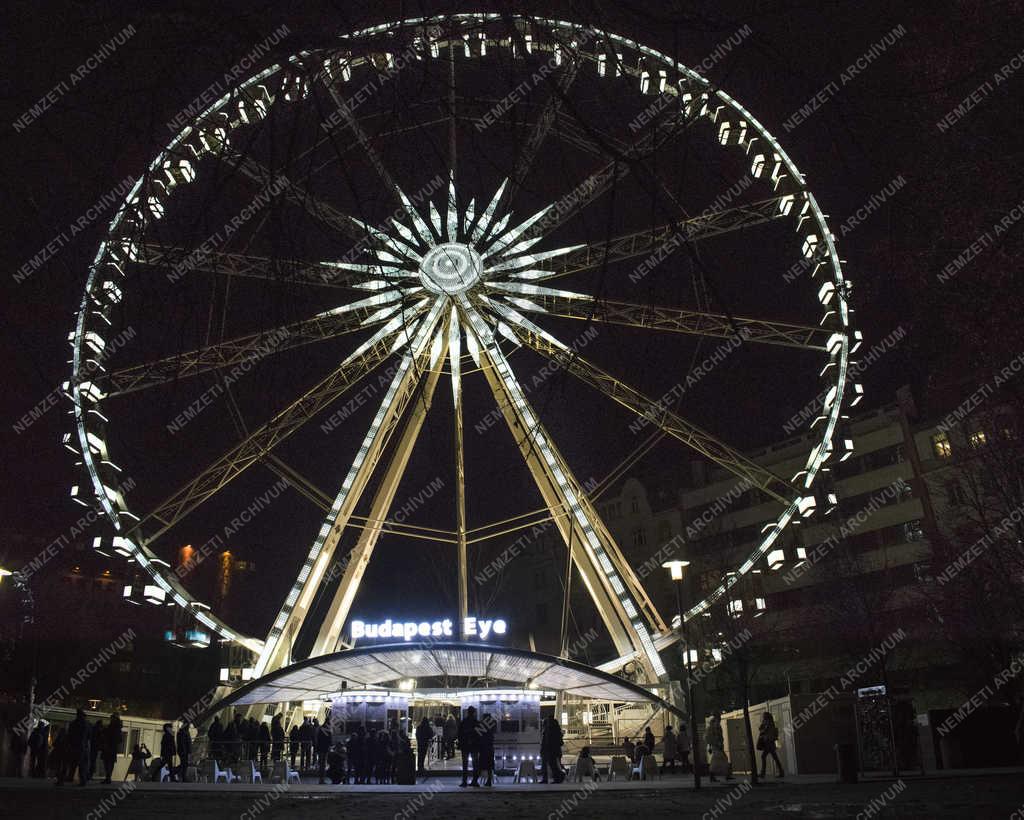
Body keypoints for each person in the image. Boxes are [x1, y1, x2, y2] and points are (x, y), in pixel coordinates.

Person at [457, 706, 480, 787]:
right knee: (475, 764)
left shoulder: (464, 722)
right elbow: (479, 734)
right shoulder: (476, 722)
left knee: (465, 764)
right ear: (473, 712)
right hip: (474, 746)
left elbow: (459, 734)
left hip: (465, 746)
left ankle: (464, 781)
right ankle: (475, 781)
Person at [706, 712, 732, 782]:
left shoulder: (712, 726)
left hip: (716, 745)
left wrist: (710, 746)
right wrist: (718, 744)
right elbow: (716, 736)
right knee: (719, 760)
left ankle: (724, 775)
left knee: (717, 760)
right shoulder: (716, 725)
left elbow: (710, 737)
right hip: (717, 745)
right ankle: (726, 775)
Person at [757, 712, 784, 778]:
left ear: (766, 716)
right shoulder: (770, 722)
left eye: (764, 716)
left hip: (769, 742)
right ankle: (781, 772)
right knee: (774, 757)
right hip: (770, 742)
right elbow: (760, 729)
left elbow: (763, 730)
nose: (763, 717)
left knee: (764, 756)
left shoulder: (768, 723)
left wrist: (763, 725)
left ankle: (763, 773)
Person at [68, 709, 91, 786]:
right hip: (84, 746)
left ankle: (70, 777)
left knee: (73, 763)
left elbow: (70, 735)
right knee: (82, 765)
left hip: (75, 746)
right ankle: (83, 780)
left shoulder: (73, 724)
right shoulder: (87, 724)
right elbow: (89, 736)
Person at [540, 715, 564, 783]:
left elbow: (545, 742)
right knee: (553, 765)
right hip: (553, 751)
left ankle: (546, 779)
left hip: (548, 750)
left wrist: (543, 749)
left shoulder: (547, 731)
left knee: (547, 765)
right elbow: (560, 742)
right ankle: (557, 778)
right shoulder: (556, 730)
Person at [477, 713, 496, 787]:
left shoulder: (482, 726)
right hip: (490, 747)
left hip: (483, 747)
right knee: (489, 765)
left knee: (481, 764)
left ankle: (475, 780)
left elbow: (478, 734)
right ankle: (489, 781)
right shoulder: (492, 725)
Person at [103, 713, 122, 784]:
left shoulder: (112, 727)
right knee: (110, 763)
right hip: (113, 748)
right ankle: (108, 777)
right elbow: (120, 739)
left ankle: (108, 777)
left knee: (107, 762)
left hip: (109, 747)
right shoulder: (118, 728)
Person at [315, 718, 332, 784]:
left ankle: (321, 779)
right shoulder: (328, 729)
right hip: (325, 749)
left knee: (321, 764)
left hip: (320, 749)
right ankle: (322, 779)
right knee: (323, 764)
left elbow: (317, 739)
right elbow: (330, 740)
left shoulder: (320, 728)